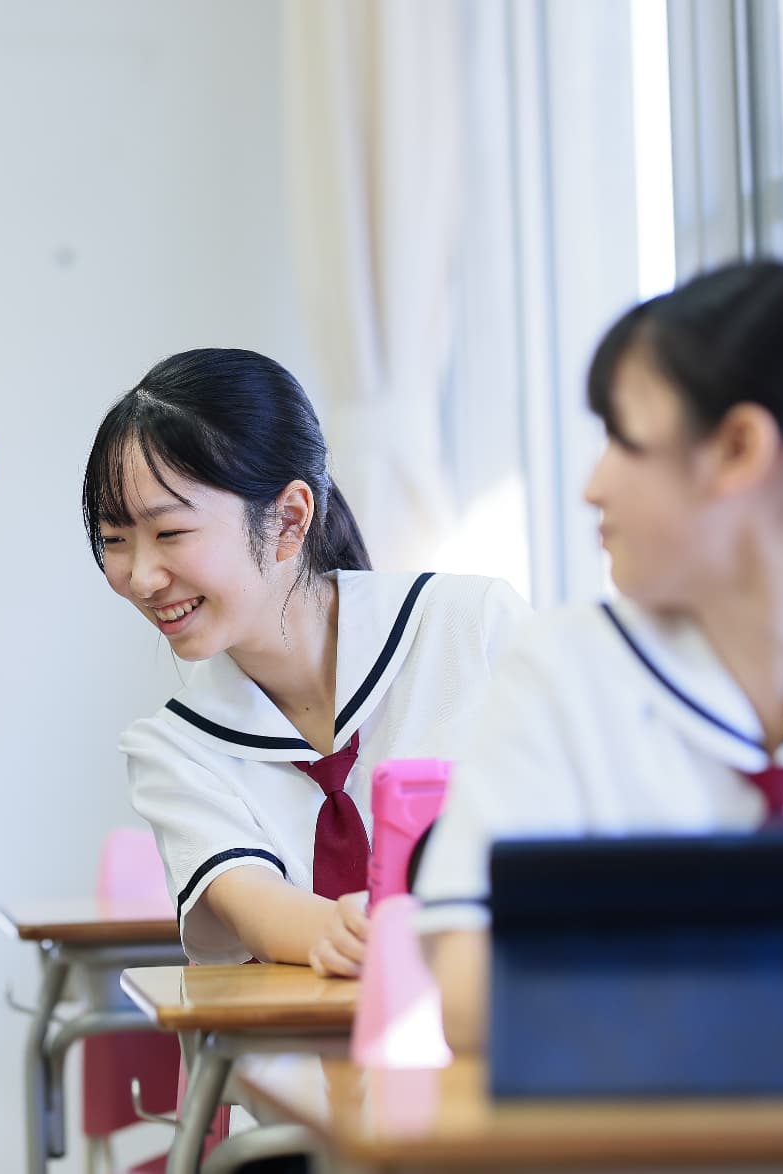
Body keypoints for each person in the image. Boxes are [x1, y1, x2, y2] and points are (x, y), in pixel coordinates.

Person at [417, 260, 783, 1048]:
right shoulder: (562, 667)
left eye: (622, 438)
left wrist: (642, 996)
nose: (592, 486)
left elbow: (537, 1000)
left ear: (739, 448)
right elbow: (474, 995)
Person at [88, 348, 526, 975]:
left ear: (289, 519)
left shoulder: (472, 628)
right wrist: (360, 935)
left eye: (170, 533)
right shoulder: (172, 747)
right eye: (114, 540)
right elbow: (254, 906)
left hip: (488, 1044)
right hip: (282, 1068)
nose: (142, 575)